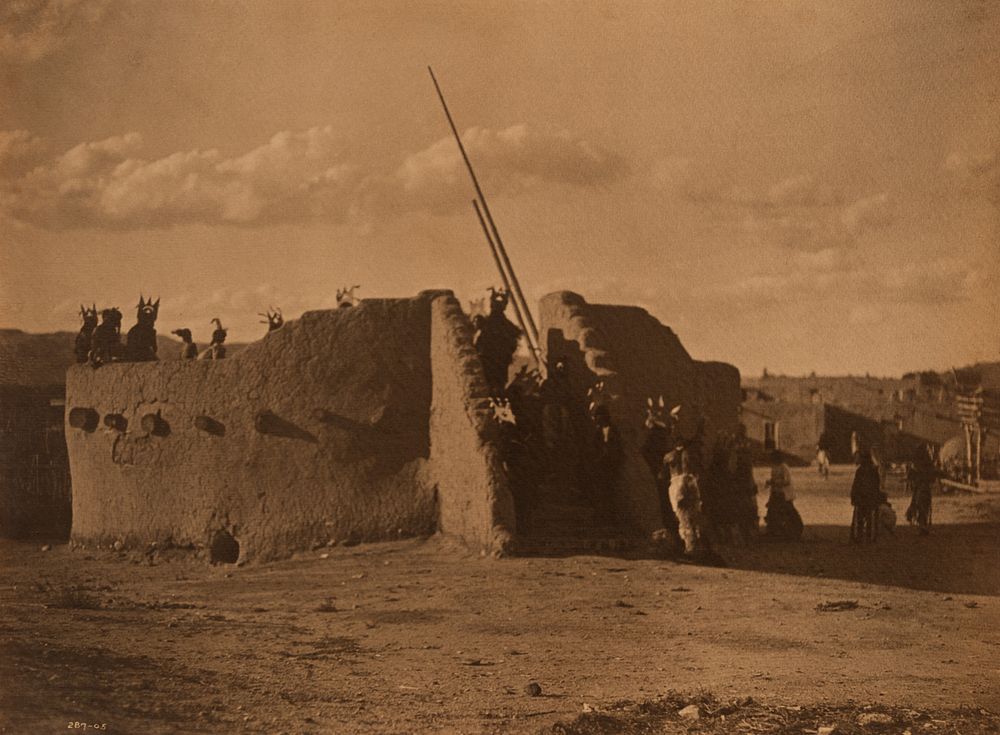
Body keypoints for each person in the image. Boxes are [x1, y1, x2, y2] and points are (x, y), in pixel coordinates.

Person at [764, 451, 803, 540]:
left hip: (784, 494)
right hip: (775, 492)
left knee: (787, 511)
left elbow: (787, 481)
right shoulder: (774, 467)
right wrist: (770, 483)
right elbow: (774, 479)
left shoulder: (784, 467)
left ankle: (791, 530)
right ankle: (773, 530)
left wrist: (776, 482)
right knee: (772, 511)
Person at [850, 448, 881, 543]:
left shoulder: (861, 471)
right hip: (869, 498)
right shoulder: (873, 470)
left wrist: (853, 496)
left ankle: (859, 537)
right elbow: (877, 484)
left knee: (860, 518)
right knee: (869, 518)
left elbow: (856, 485)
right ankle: (869, 537)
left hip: (862, 498)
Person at [906, 443, 936, 535]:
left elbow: (910, 476)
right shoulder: (927, 463)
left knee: (919, 506)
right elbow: (932, 476)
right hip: (924, 487)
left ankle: (922, 526)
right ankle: (923, 526)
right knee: (924, 506)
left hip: (919, 487)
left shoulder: (915, 463)